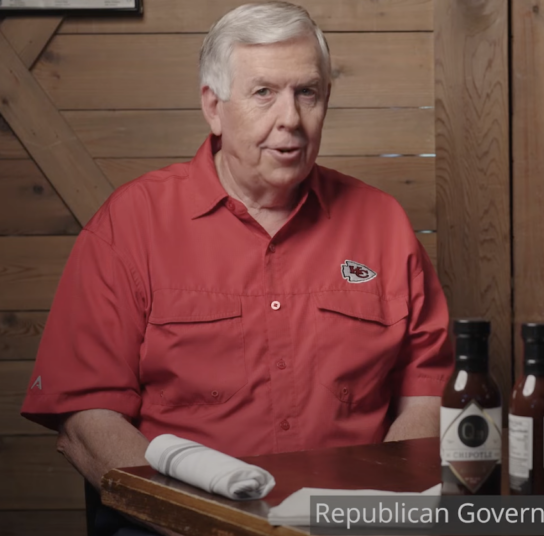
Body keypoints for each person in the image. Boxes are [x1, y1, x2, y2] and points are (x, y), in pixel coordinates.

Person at [21, 2, 452, 534]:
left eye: (307, 92)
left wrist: (370, 512)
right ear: (214, 107)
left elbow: (428, 392)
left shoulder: (383, 224)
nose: (290, 118)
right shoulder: (130, 225)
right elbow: (87, 420)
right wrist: (191, 519)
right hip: (177, 522)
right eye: (263, 92)